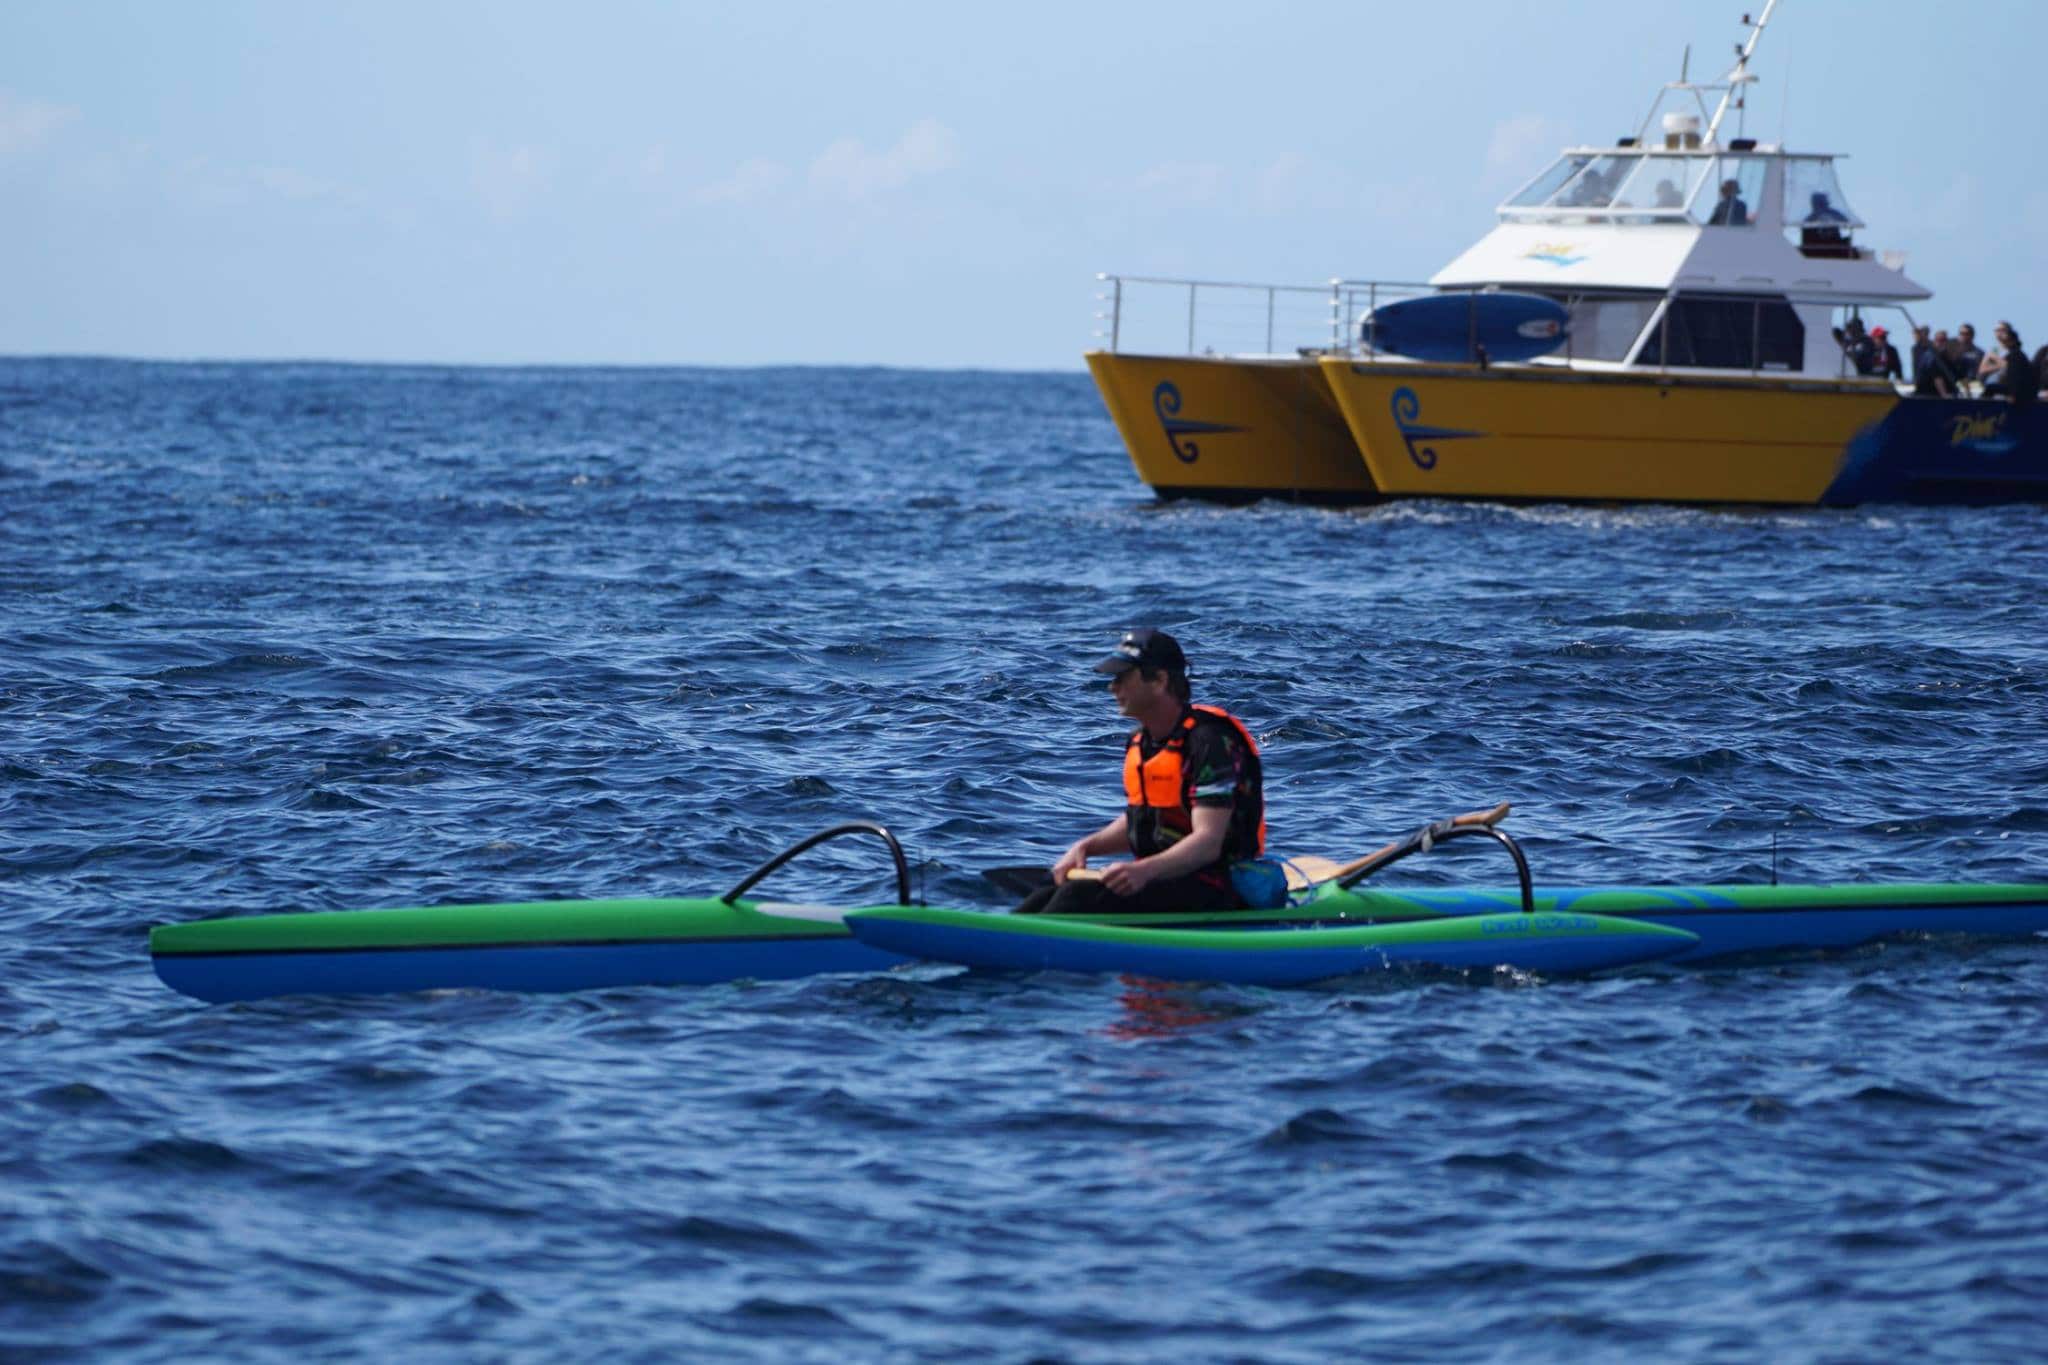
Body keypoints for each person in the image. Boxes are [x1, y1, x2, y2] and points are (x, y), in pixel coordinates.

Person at [1018, 628, 1265, 916]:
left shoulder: (1210, 741)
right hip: (1166, 879)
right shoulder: (1140, 742)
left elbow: (1208, 843)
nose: (1113, 688)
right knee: (1050, 890)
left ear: (1159, 680)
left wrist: (1144, 871)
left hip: (1219, 885)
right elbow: (1143, 818)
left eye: (1122, 677)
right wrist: (1085, 847)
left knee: (1076, 895)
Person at [1986, 322, 2035, 405]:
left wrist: (2013, 395)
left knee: (1990, 388)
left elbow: (2015, 376)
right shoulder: (2013, 354)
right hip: (2016, 390)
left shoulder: (2015, 355)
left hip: (2020, 394)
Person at [1910, 324, 1958, 396]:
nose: (1941, 343)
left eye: (1944, 340)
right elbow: (1937, 378)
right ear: (1934, 341)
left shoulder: (1945, 357)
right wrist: (1945, 395)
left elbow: (1958, 375)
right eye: (1939, 340)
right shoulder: (1931, 357)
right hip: (1928, 395)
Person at [1953, 324, 1986, 390]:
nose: (1964, 336)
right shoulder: (1952, 351)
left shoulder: (1979, 353)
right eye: (1961, 334)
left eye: (1967, 334)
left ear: (1972, 335)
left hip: (1974, 384)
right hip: (1955, 384)